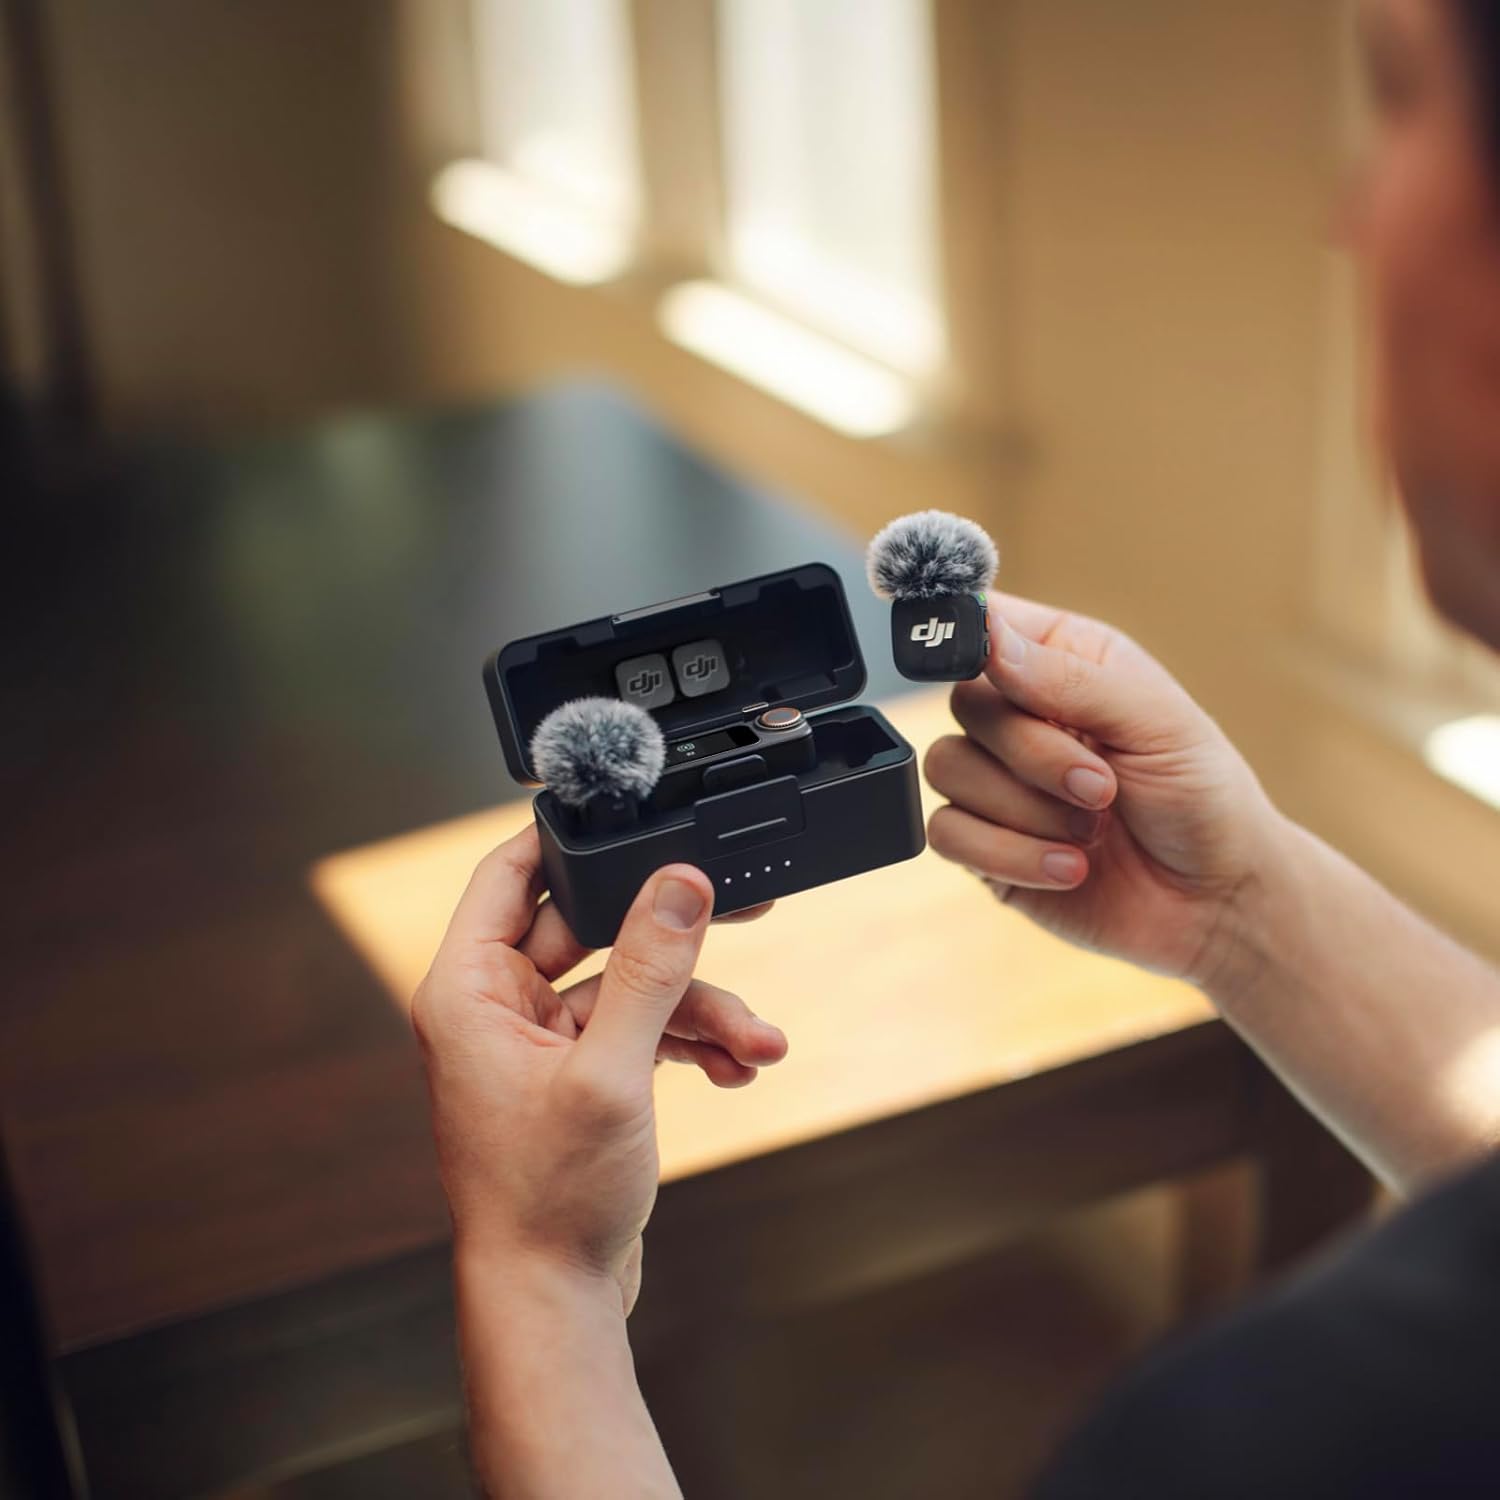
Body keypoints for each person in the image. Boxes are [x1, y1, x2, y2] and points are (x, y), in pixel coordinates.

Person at [410, 0, 1500, 1493]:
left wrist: (537, 1273)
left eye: (1396, 103)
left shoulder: (1266, 1439)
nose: (1349, 217)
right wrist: (1240, 913)